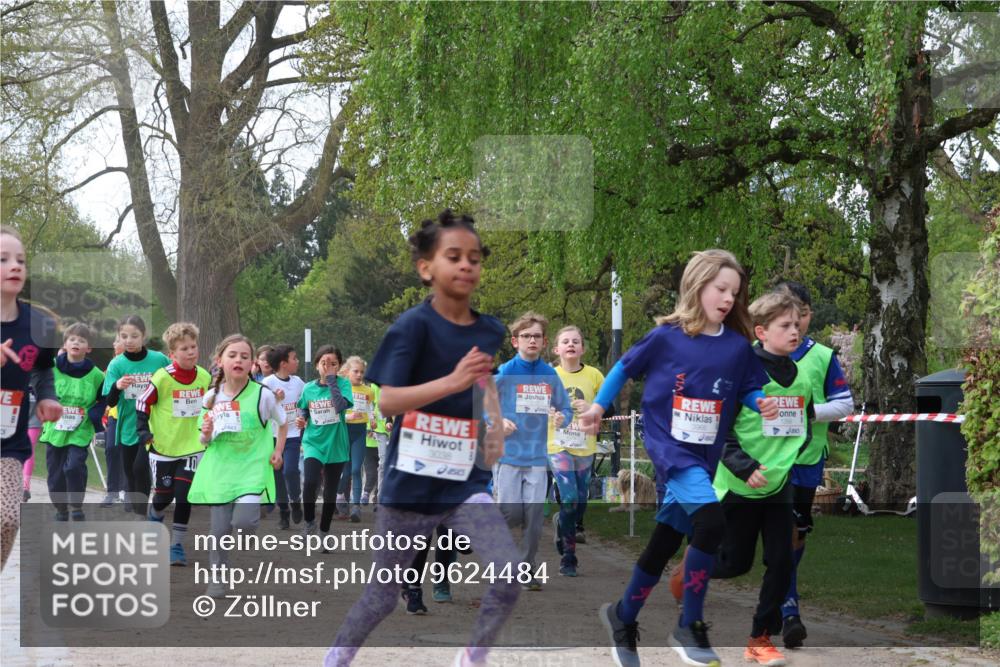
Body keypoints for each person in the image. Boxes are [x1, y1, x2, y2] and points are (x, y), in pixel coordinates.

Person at [325, 209, 516, 667]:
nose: (467, 265)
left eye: (474, 257)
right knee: (382, 597)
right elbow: (387, 402)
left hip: (463, 484)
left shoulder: (489, 329)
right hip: (409, 487)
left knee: (508, 574)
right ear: (427, 267)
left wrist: (491, 419)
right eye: (454, 256)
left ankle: (472, 658)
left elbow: (483, 379)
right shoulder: (411, 327)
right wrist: (452, 381)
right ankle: (335, 659)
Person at [578, 249, 778, 667]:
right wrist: (598, 405)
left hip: (705, 453)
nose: (727, 298)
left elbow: (747, 388)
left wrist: (762, 404)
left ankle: (623, 615)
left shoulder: (738, 347)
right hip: (668, 444)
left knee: (664, 541)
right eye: (720, 288)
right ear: (697, 285)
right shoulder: (666, 336)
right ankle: (690, 622)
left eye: (734, 292)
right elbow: (623, 368)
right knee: (711, 523)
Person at [711, 291, 812, 666]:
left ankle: (759, 637)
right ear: (760, 332)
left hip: (778, 484)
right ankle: (693, 565)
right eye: (784, 325)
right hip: (739, 483)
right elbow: (720, 431)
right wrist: (745, 466)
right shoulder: (741, 371)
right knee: (736, 564)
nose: (795, 331)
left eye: (797, 323)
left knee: (782, 561)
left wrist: (785, 461)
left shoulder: (799, 375)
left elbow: (800, 424)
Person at [773, 281, 853, 649]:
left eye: (799, 314)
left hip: (806, 459)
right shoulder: (757, 353)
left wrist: (808, 412)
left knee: (796, 530)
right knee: (778, 527)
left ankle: (778, 589)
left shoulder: (822, 356)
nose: (793, 321)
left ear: (808, 315)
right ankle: (789, 607)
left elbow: (844, 405)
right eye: (784, 314)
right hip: (767, 459)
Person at [188, 334, 287, 598]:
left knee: (244, 523)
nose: (238, 360)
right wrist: (206, 432)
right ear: (220, 360)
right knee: (219, 530)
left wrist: (278, 451)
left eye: (244, 356)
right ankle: (217, 577)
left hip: (252, 468)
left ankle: (244, 533)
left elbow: (283, 421)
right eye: (232, 355)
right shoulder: (211, 397)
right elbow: (203, 438)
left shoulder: (263, 395)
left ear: (253, 363)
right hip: (221, 469)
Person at [495, 311, 573, 590]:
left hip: (538, 457)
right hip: (508, 456)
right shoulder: (505, 372)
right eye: (526, 336)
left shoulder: (549, 375)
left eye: (536, 336)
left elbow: (565, 408)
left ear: (544, 341)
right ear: (515, 341)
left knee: (535, 518)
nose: (531, 340)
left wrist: (563, 417)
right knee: (512, 514)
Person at [1, 225, 62, 570]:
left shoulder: (39, 324)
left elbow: (42, 369)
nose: (15, 266)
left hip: (8, 442)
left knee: (8, 520)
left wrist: (46, 397)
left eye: (21, 260)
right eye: (3, 259)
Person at [135, 322, 211, 566]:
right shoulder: (163, 378)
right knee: (164, 496)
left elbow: (212, 406)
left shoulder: (204, 377)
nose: (191, 352)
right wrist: (143, 431)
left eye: (193, 346)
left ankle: (176, 545)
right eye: (184, 348)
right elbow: (142, 404)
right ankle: (154, 515)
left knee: (184, 495)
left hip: (193, 446)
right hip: (163, 447)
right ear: (172, 354)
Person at [547, 325, 604, 577]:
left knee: (580, 500)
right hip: (557, 445)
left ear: (582, 348)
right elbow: (533, 407)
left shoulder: (594, 376)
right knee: (569, 498)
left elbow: (608, 407)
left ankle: (563, 522)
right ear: (556, 348)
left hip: (585, 444)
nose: (571, 344)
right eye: (565, 341)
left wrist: (593, 406)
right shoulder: (548, 374)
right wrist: (549, 413)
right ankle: (569, 557)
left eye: (576, 341)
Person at [102, 315, 169, 515]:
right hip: (128, 425)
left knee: (141, 467)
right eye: (124, 336)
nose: (129, 340)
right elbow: (110, 401)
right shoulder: (117, 365)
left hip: (153, 424)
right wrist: (117, 385)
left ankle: (145, 510)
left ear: (144, 336)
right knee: (131, 471)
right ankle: (138, 507)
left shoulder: (159, 359)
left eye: (134, 336)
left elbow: (171, 384)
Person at [40, 323, 105, 521]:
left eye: (82, 340)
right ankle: (61, 509)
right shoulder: (52, 367)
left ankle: (76, 505)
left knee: (74, 466)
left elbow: (104, 398)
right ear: (65, 344)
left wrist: (95, 415)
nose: (76, 342)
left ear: (89, 348)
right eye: (72, 339)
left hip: (80, 428)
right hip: (55, 428)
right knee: (55, 474)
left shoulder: (96, 375)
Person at [295, 345, 352, 538]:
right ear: (317, 365)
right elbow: (303, 409)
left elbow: (339, 406)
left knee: (330, 492)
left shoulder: (343, 385)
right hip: (314, 442)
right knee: (310, 481)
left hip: (336, 443)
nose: (328, 367)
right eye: (324, 363)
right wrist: (302, 419)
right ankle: (310, 522)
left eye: (333, 364)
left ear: (339, 366)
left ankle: (324, 531)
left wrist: (331, 380)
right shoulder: (308, 388)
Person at [262, 344, 306, 529]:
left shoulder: (298, 383)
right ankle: (284, 512)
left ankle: (295, 501)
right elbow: (261, 410)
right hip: (273, 435)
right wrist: (274, 399)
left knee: (291, 471)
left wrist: (303, 417)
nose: (297, 361)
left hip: (293, 434)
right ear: (283, 363)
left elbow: (305, 404)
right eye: (294, 358)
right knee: (277, 475)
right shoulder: (268, 383)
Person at [339, 356, 373, 523]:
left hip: (360, 432)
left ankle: (356, 506)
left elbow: (371, 409)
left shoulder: (368, 391)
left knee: (356, 468)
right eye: (356, 371)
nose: (359, 375)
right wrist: (348, 416)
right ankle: (339, 497)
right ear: (347, 372)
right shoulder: (342, 388)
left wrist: (372, 420)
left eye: (362, 372)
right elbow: (335, 413)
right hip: (345, 431)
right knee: (345, 470)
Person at [100, 336, 127, 508]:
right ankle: (112, 491)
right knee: (111, 449)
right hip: (114, 413)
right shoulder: (112, 365)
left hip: (133, 414)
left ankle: (126, 490)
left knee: (127, 451)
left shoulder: (138, 364)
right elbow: (106, 393)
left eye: (117, 340)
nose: (114, 344)